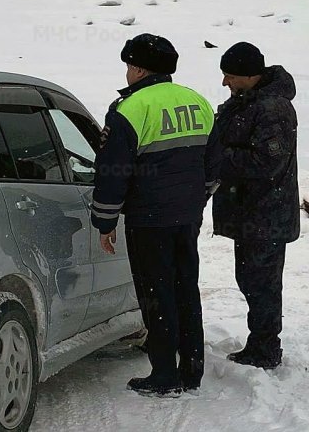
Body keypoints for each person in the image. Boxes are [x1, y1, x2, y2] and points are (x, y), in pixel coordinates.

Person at [91, 33, 220, 396]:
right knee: (186, 289)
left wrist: (104, 221)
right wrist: (197, 199)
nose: (127, 72)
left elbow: (112, 172)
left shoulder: (130, 109)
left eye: (129, 66)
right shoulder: (197, 102)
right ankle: (192, 368)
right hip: (187, 217)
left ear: (138, 69)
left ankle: (164, 374)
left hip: (149, 219)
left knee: (156, 293)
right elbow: (213, 164)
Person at [212, 42, 300, 370]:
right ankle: (261, 343)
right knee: (251, 280)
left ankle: (265, 349)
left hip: (266, 216)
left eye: (230, 75)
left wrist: (217, 157)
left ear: (250, 75)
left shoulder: (272, 109)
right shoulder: (246, 101)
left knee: (262, 284)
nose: (225, 82)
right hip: (250, 213)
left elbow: (268, 161)